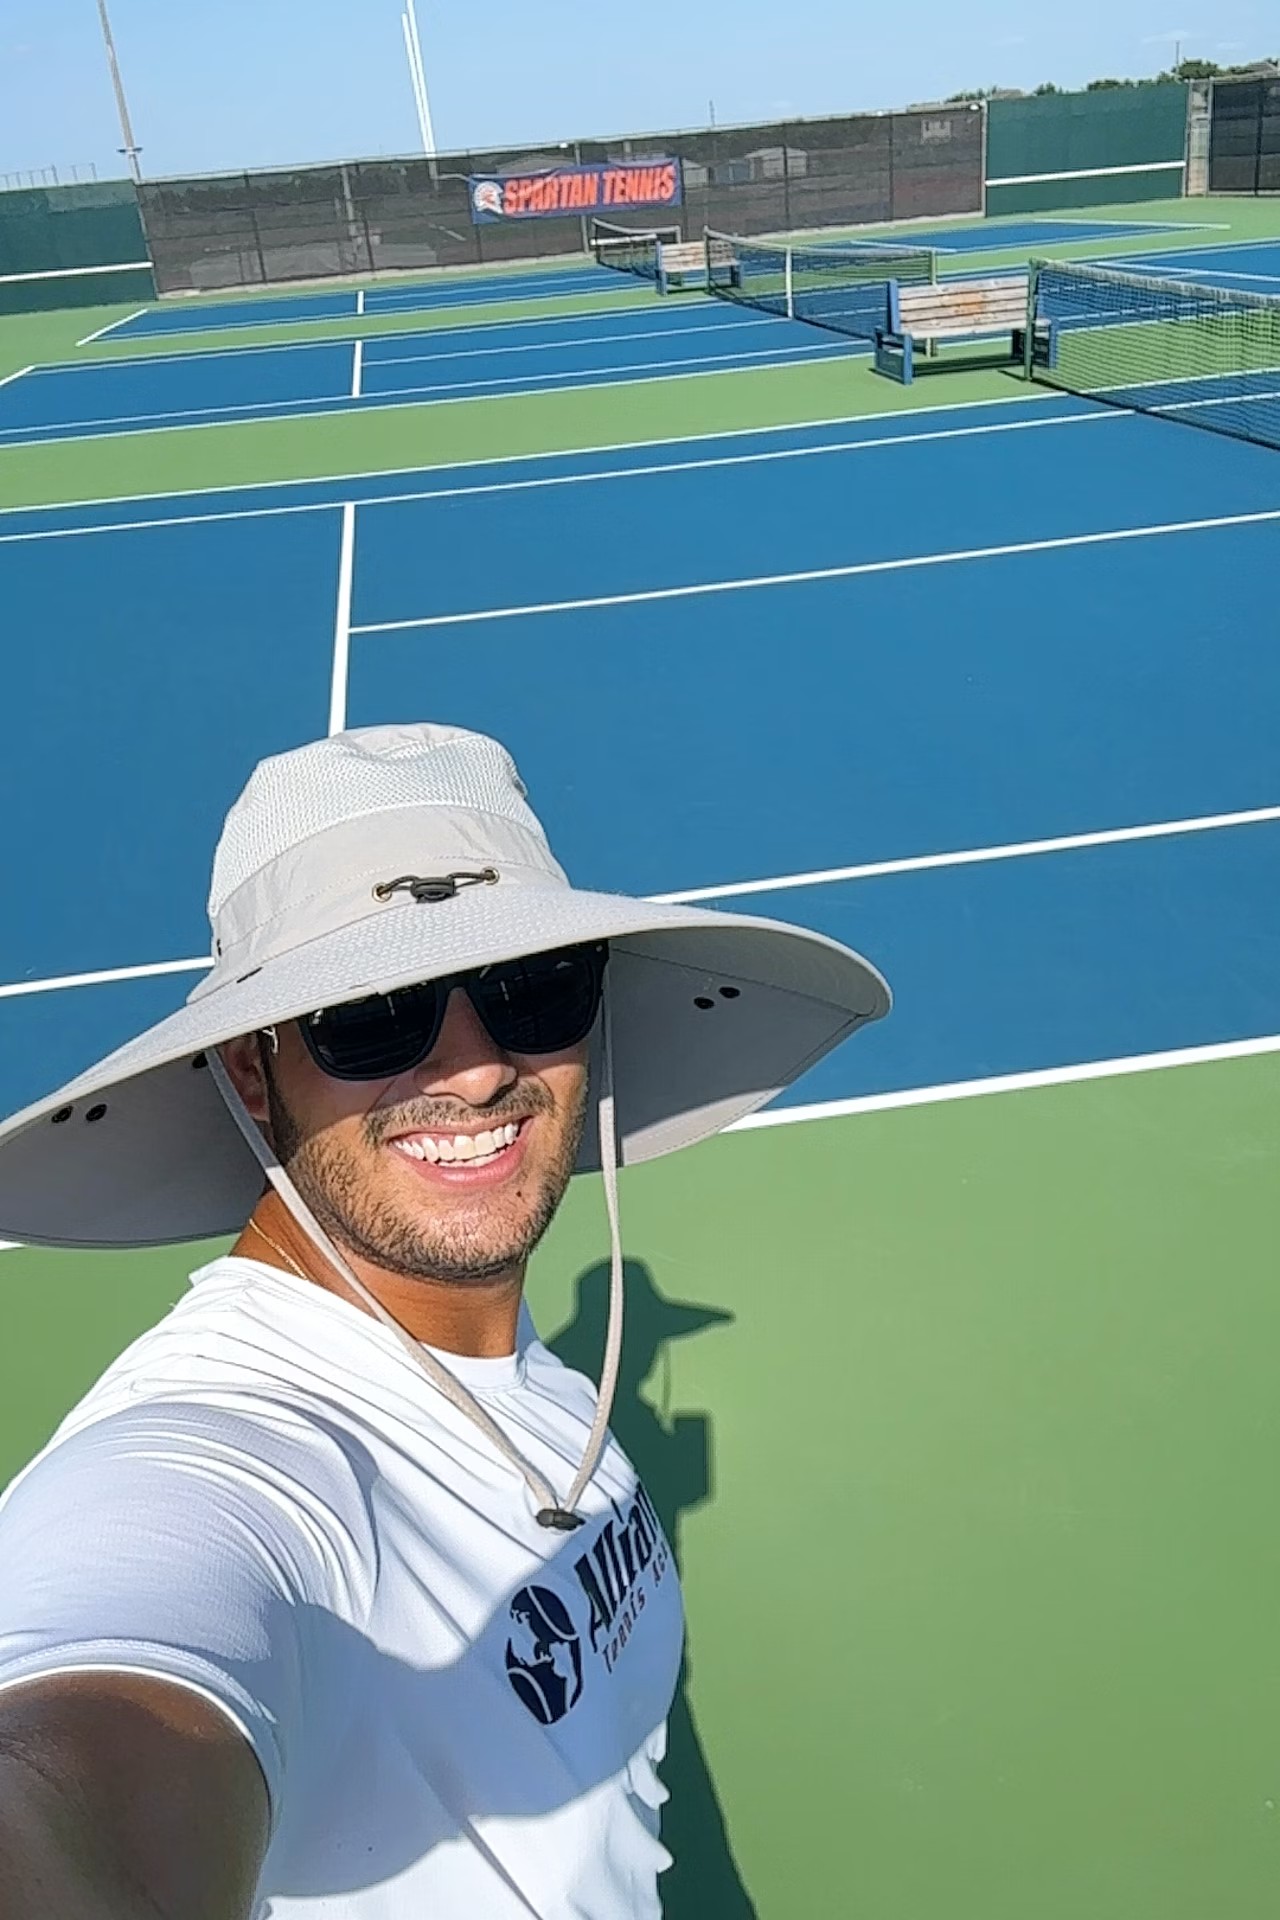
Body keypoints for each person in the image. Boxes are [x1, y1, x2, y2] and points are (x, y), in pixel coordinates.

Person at [0, 721, 889, 1919]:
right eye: (372, 1013)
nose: (472, 1071)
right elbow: (70, 1772)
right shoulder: (219, 1458)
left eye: (534, 987)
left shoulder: (520, 1376)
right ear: (254, 1075)